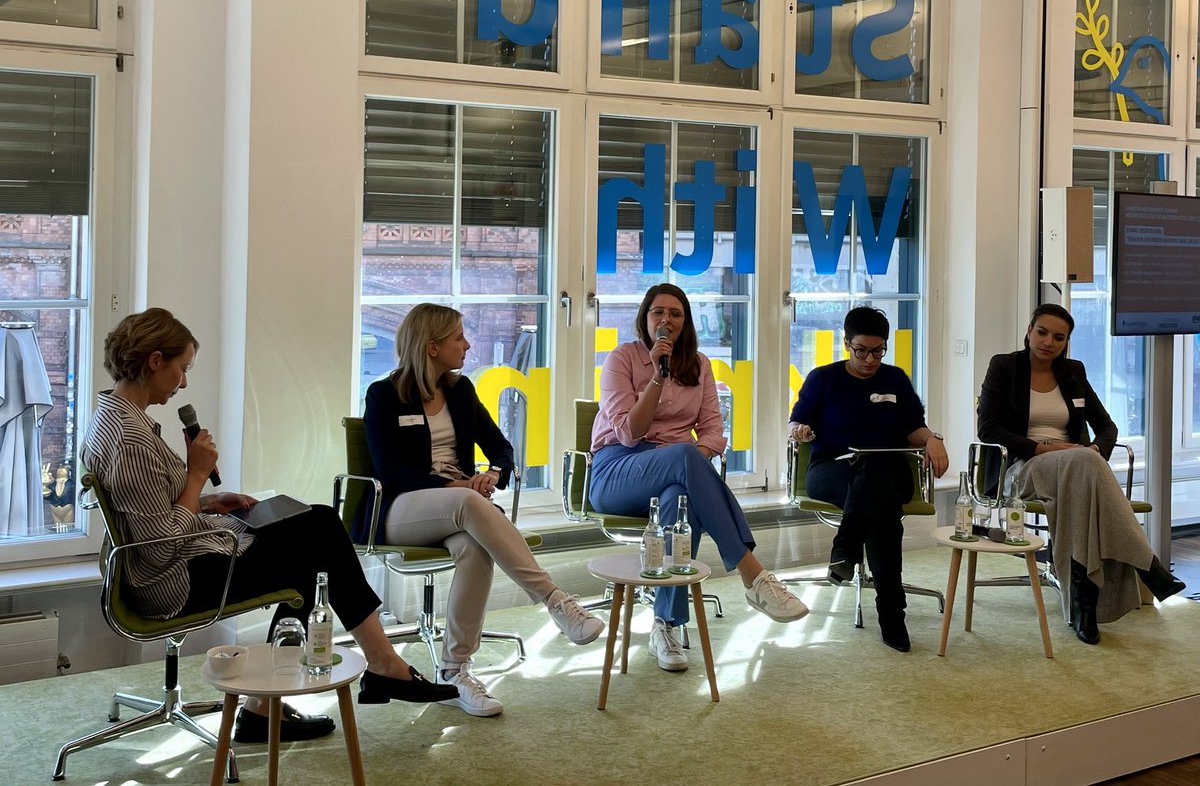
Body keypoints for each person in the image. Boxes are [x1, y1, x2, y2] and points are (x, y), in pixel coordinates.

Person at [82, 309, 458, 746]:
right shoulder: (130, 438)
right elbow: (159, 547)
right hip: (171, 582)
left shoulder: (114, 416)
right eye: (181, 369)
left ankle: (288, 700)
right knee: (319, 535)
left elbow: (147, 508)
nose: (183, 383)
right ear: (154, 361)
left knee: (314, 534)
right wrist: (197, 476)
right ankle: (374, 669)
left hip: (176, 561)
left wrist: (209, 500)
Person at [362, 304, 604, 718]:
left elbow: (501, 447)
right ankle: (555, 600)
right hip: (399, 511)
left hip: (458, 508)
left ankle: (453, 673)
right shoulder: (384, 395)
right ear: (432, 347)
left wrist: (493, 473)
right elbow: (391, 472)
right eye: (459, 337)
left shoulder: (460, 391)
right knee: (469, 503)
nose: (468, 345)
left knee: (475, 550)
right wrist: (457, 486)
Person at [590, 283, 808, 673]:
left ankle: (666, 625)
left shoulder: (700, 365)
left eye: (675, 313)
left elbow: (712, 431)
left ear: (685, 322)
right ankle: (753, 575)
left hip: (676, 470)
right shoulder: (621, 359)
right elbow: (628, 433)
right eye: (658, 312)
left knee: (680, 500)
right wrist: (657, 377)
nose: (666, 319)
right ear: (645, 318)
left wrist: (689, 463)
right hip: (617, 471)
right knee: (684, 457)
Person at [977, 303, 1185, 644]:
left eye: (1059, 337)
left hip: (1076, 470)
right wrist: (1043, 449)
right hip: (1022, 466)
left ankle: (1083, 608)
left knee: (1083, 474)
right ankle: (1147, 565)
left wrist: (1094, 450)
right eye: (1042, 332)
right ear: (1029, 331)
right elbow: (988, 428)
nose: (1049, 342)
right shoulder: (1004, 367)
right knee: (1083, 464)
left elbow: (1107, 427)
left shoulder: (1073, 372)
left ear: (1066, 342)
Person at [789, 306, 949, 653]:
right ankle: (892, 614)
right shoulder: (823, 378)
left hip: (889, 468)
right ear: (847, 344)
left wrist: (932, 439)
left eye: (879, 350)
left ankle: (845, 549)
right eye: (862, 350)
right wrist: (799, 430)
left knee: (877, 471)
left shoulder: (895, 379)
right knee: (883, 507)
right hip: (832, 469)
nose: (870, 359)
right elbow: (796, 422)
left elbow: (914, 427)